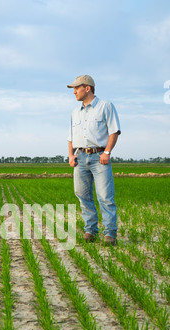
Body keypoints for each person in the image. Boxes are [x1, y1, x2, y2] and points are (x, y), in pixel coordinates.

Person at [67, 74, 121, 246]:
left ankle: (110, 233)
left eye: (77, 88)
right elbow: (70, 137)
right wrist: (70, 155)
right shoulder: (75, 112)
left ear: (87, 88)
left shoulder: (106, 106)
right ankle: (90, 230)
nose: (74, 91)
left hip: (99, 157)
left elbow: (114, 131)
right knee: (83, 195)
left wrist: (106, 152)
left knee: (105, 196)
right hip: (80, 158)